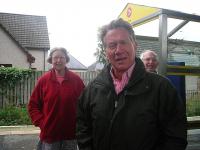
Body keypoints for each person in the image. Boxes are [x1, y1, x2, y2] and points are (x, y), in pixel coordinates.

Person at [76, 18, 187, 150]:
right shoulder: (92, 89)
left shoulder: (161, 88)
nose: (118, 50)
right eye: (112, 45)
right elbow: (83, 129)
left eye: (123, 42)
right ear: (105, 51)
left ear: (135, 45)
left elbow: (175, 137)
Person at [28, 47, 85, 150]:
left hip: (70, 135)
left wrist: (79, 125)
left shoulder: (76, 80)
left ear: (66, 60)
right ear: (51, 60)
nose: (58, 61)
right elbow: (33, 105)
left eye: (62, 57)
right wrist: (42, 123)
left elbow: (84, 105)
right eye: (55, 58)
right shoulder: (43, 81)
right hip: (49, 135)